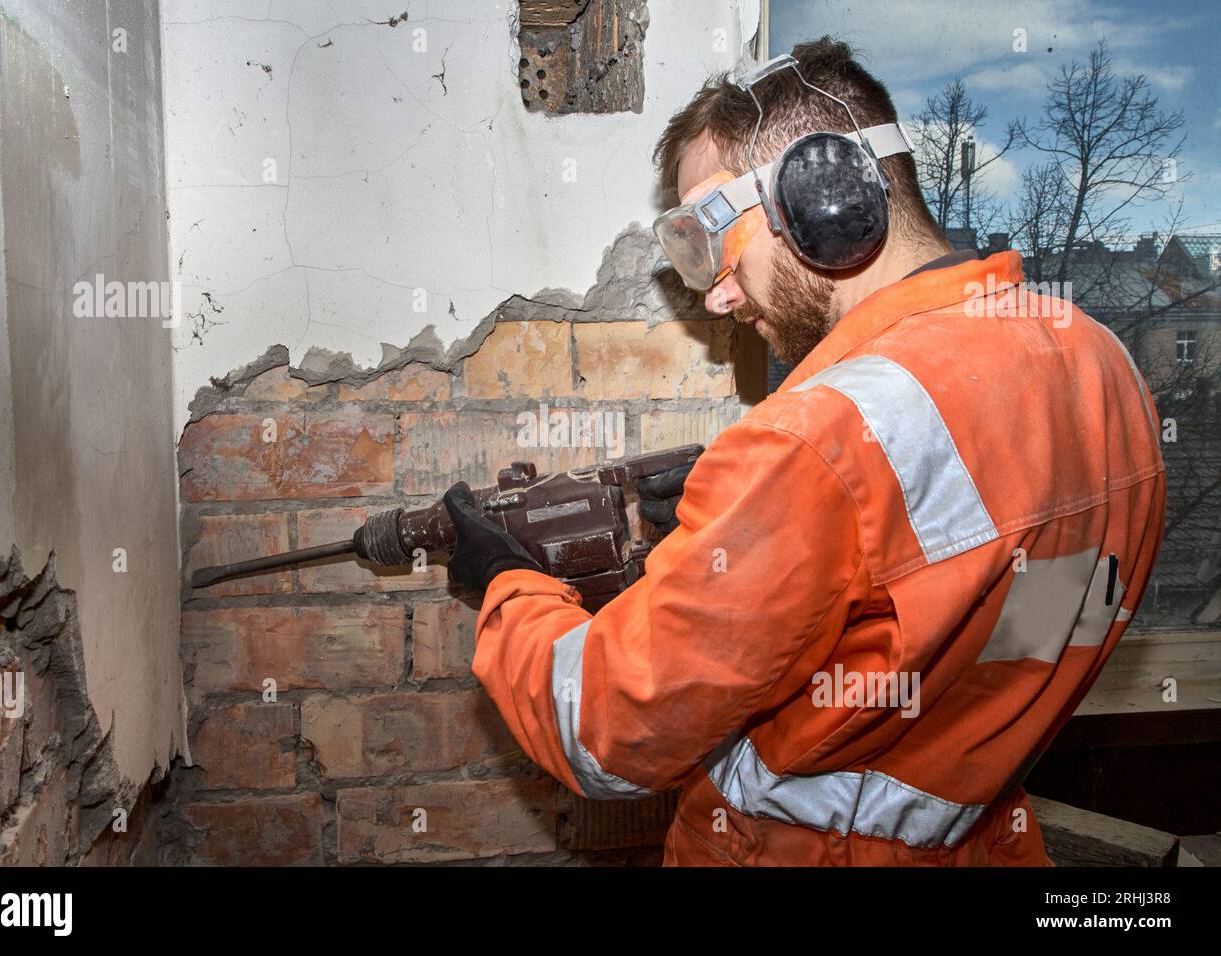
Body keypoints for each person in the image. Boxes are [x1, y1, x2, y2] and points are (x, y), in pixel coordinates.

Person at [443, 37, 1166, 865]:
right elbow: (987, 627)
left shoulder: (816, 439)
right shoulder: (1103, 366)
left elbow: (601, 733)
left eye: (714, 242)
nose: (715, 293)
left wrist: (507, 586)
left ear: (825, 196)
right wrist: (777, 563)